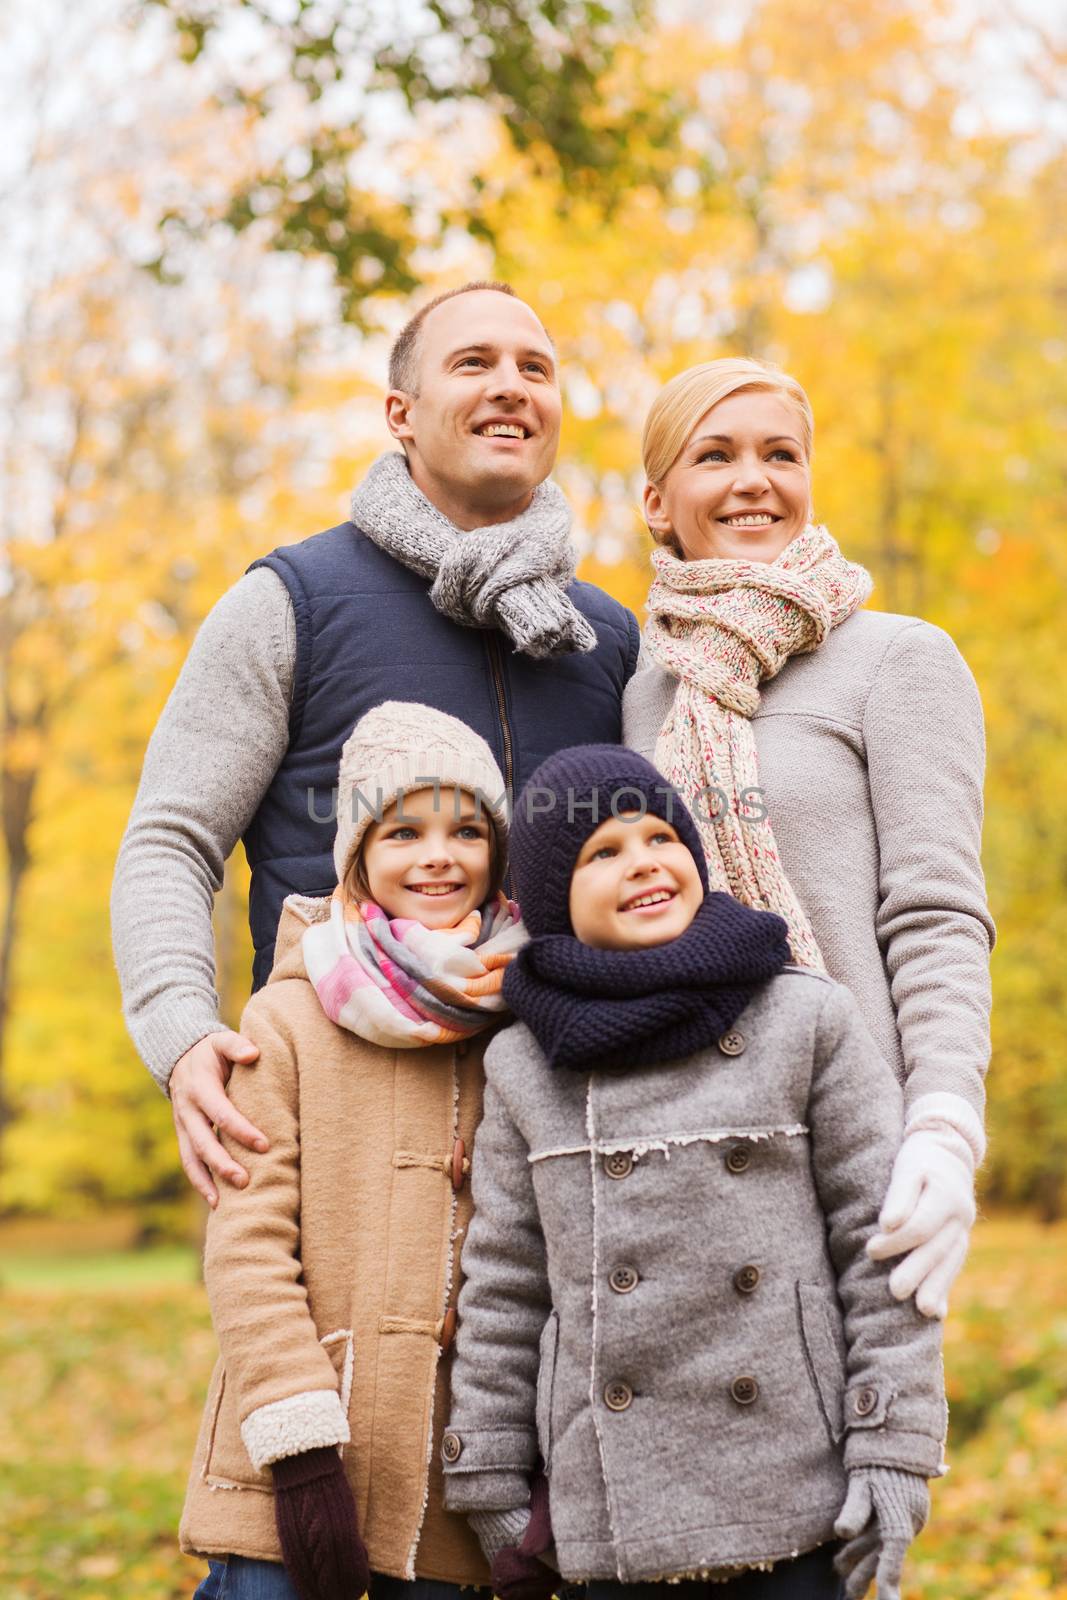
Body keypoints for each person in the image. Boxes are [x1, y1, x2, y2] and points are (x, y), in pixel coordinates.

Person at [111, 280, 639, 1207]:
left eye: (535, 368)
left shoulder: (606, 636)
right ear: (400, 413)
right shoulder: (291, 604)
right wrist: (182, 1033)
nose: (511, 385)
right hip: (341, 1122)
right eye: (472, 363)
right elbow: (170, 839)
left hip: (569, 1132)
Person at [440, 745, 946, 1600]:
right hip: (611, 1507)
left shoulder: (805, 1017)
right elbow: (504, 1283)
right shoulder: (526, 1064)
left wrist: (893, 1447)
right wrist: (487, 1470)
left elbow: (879, 1245)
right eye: (601, 852)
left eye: (659, 838)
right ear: (552, 894)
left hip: (800, 1485)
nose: (641, 862)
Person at [622, 358, 994, 1321]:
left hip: (849, 1146)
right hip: (668, 1148)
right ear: (658, 502)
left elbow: (935, 912)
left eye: (779, 454)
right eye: (717, 454)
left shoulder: (898, 659)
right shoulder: (639, 691)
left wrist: (944, 1126)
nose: (754, 478)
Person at [181, 702, 527, 1600]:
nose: (438, 855)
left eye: (465, 829)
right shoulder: (286, 1019)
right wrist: (299, 1453)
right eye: (404, 830)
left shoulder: (523, 1025)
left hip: (455, 1492)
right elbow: (247, 1243)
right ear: (360, 858)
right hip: (288, 1468)